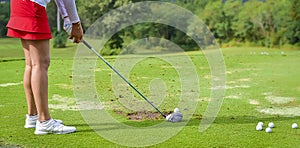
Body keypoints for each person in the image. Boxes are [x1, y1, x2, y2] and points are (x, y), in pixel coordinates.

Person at [6, 0, 83, 135]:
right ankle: (44, 121)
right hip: (33, 7)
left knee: (31, 63)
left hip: (19, 4)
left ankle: (33, 116)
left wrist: (67, 19)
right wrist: (76, 23)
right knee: (41, 63)